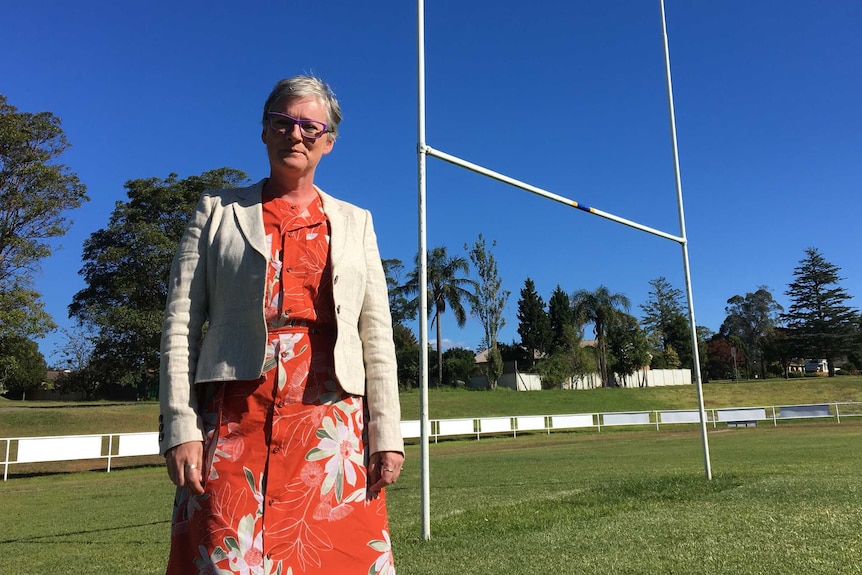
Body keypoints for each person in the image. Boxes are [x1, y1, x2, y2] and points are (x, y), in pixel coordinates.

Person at [158, 75, 404, 575]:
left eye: (310, 127)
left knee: (335, 559)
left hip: (331, 427)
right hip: (232, 419)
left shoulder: (356, 222)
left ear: (328, 142)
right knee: (228, 555)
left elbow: (376, 336)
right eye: (282, 122)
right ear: (265, 132)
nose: (295, 135)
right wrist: (179, 426)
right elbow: (180, 325)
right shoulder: (216, 212)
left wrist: (387, 436)